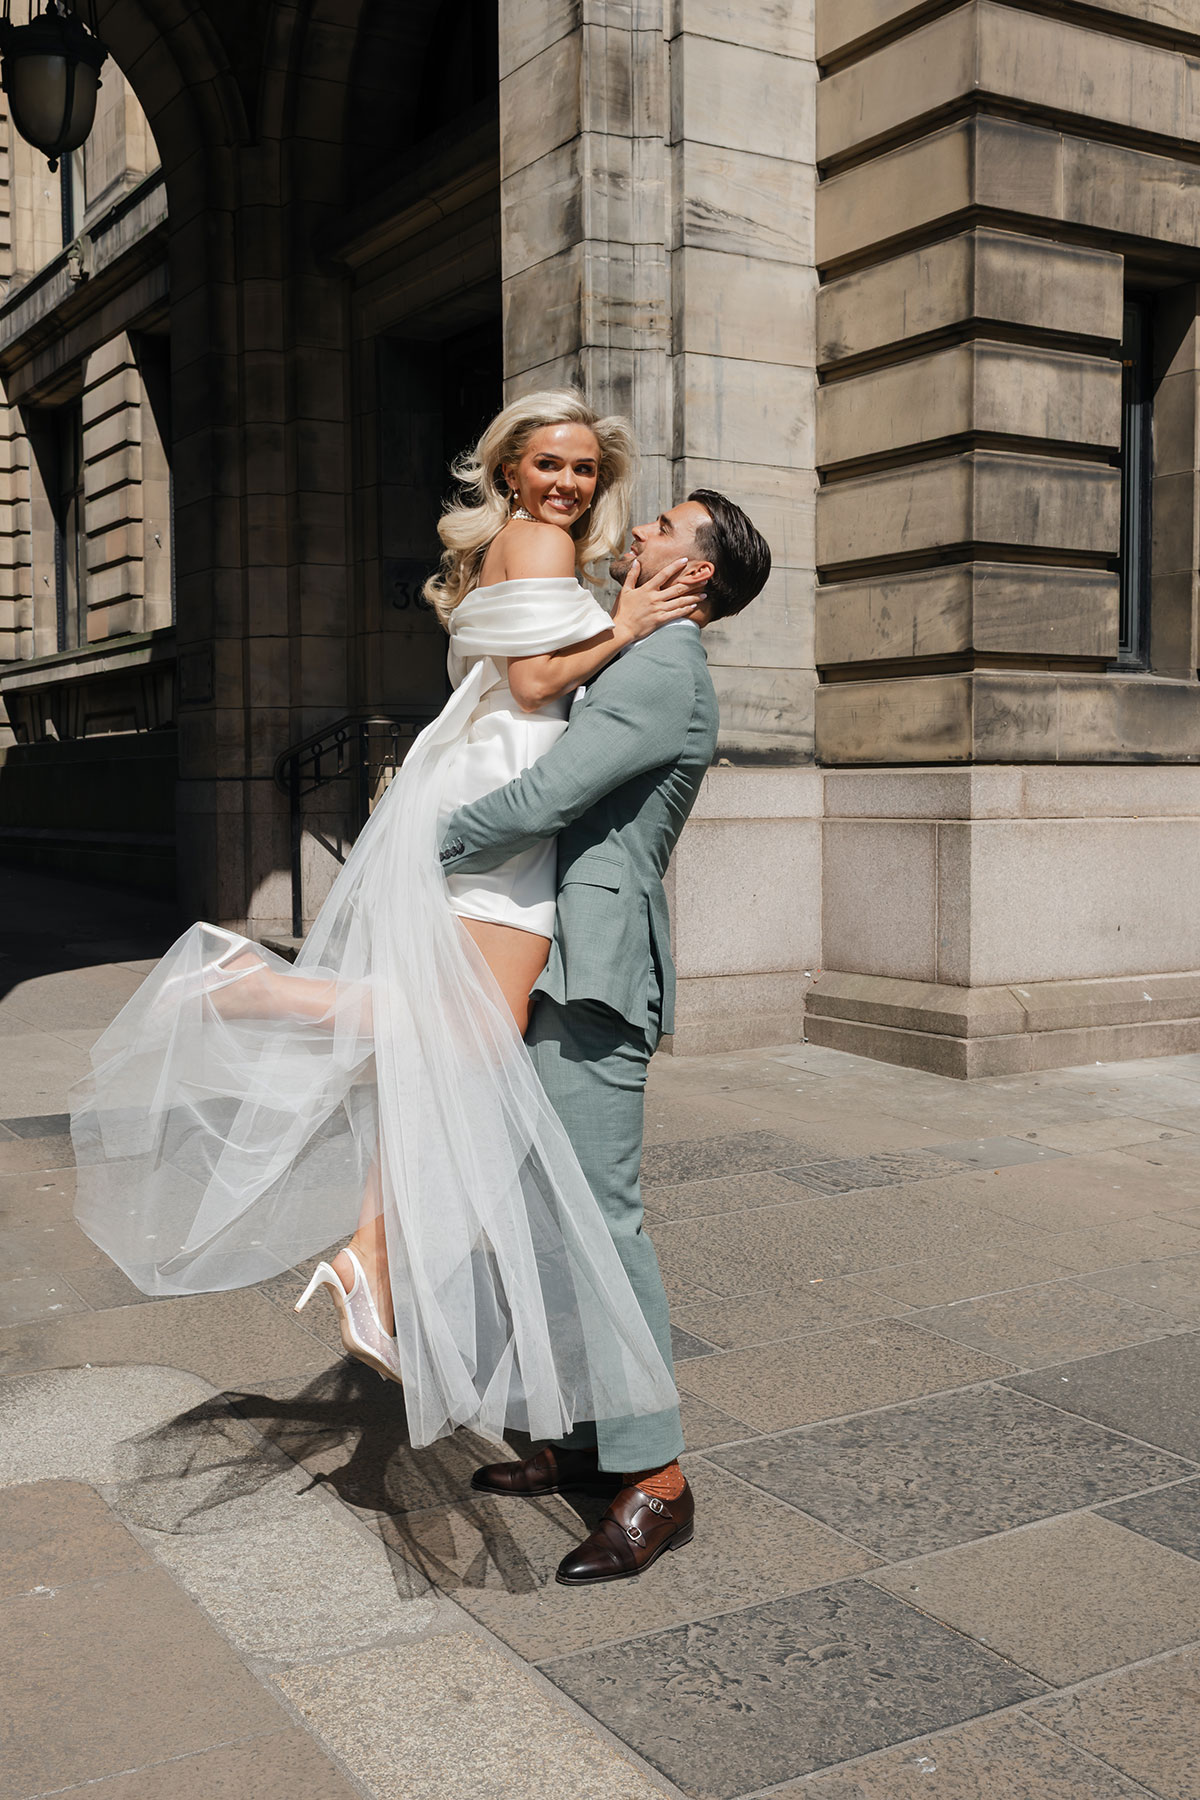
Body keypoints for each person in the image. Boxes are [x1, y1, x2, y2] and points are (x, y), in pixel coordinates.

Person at [70, 390, 703, 1456]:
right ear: (510, 473)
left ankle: (368, 1257)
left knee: (448, 1049)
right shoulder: (540, 541)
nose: (568, 484)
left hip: (487, 788)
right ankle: (244, 985)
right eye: (548, 464)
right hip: (506, 807)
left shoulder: (531, 545)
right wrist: (631, 623)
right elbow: (537, 677)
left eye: (585, 470)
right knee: (468, 1036)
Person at [441, 489, 772, 1584]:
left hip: (594, 975)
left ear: (700, 571)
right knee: (548, 1214)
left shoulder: (667, 671)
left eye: (666, 528)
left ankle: (657, 1479)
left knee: (604, 1221)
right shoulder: (630, 649)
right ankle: (579, 1436)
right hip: (553, 962)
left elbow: (551, 796)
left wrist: (423, 836)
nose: (638, 533)